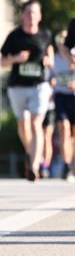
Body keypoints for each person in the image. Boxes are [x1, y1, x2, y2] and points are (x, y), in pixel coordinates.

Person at [0, 0, 54, 182]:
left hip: (39, 86)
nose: (31, 16)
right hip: (17, 86)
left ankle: (34, 166)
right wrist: (16, 58)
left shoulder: (45, 34)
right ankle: (30, 153)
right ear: (22, 15)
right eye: (28, 13)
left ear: (40, 16)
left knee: (36, 124)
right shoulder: (14, 36)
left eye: (34, 13)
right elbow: (2, 62)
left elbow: (50, 52)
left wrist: (49, 61)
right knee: (23, 126)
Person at [53, 28, 75, 181]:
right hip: (60, 96)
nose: (62, 40)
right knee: (63, 129)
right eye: (60, 37)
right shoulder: (53, 58)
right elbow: (48, 77)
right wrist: (51, 82)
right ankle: (66, 165)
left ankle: (72, 164)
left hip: (73, 97)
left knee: (73, 135)